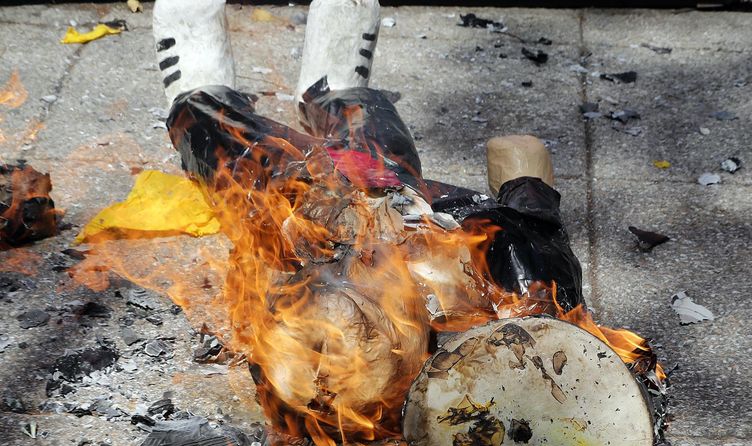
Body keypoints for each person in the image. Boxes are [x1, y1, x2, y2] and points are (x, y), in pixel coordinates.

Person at [152, 0, 586, 313]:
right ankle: (334, 88)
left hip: (308, 204)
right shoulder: (531, 296)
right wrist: (527, 193)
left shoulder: (360, 365)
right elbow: (522, 168)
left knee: (227, 143)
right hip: (399, 192)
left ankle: (198, 93)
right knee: (374, 145)